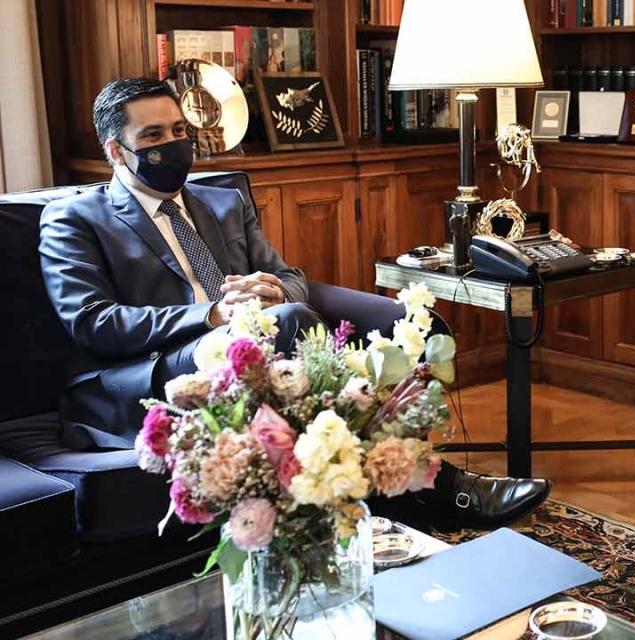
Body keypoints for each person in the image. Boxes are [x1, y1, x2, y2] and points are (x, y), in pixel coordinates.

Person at [38, 77, 549, 532]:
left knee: (388, 322)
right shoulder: (74, 220)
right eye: (153, 136)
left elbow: (290, 277)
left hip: (257, 340)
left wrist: (275, 292)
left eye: (178, 131)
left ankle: (397, 490)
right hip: (161, 363)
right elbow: (92, 323)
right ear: (116, 150)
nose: (172, 144)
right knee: (288, 324)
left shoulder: (220, 201)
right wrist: (213, 313)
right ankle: (441, 492)